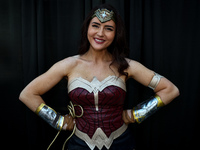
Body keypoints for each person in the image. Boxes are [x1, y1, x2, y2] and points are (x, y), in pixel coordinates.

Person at [19, 4, 179, 150]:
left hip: (121, 143)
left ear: (116, 33)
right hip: (79, 144)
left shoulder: (127, 66)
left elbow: (170, 90)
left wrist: (135, 115)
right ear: (87, 28)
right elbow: (28, 94)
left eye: (108, 28)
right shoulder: (68, 65)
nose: (100, 33)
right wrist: (57, 121)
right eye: (95, 25)